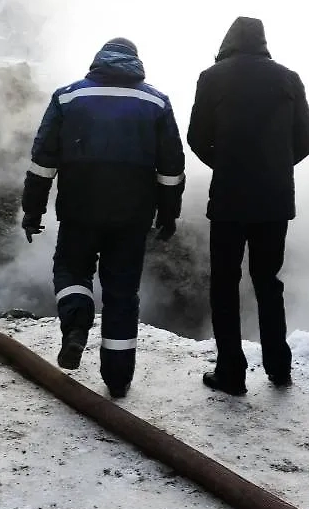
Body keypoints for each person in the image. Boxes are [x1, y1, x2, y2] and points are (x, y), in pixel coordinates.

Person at [20, 37, 185, 399]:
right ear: (135, 64)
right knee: (122, 292)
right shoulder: (156, 102)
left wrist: (33, 210)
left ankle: (77, 325)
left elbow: (42, 160)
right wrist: (169, 214)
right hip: (133, 216)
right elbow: (171, 167)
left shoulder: (68, 97)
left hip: (79, 210)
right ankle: (118, 378)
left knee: (71, 271)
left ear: (98, 61)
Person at [187, 17, 309, 396]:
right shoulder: (288, 78)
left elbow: (197, 138)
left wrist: (227, 164)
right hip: (275, 199)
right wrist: (274, 166)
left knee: (224, 284)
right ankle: (278, 368)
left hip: (229, 198)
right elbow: (308, 139)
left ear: (227, 42)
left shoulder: (212, 77)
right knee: (268, 281)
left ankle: (231, 372)